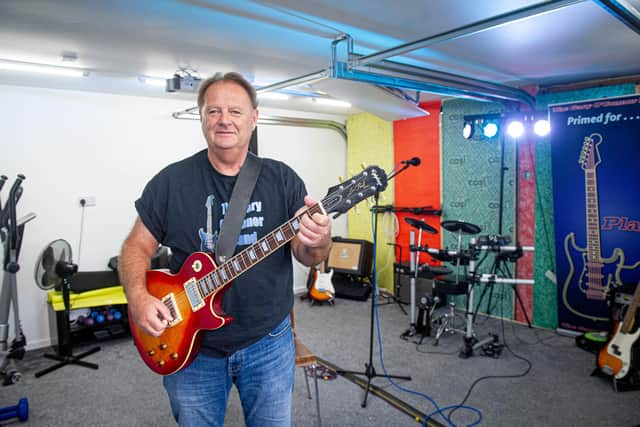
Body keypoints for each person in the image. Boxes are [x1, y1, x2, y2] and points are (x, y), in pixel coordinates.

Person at [119, 71, 332, 426]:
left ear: (254, 118)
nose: (224, 120)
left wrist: (319, 238)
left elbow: (308, 254)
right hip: (192, 345)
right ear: (201, 117)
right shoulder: (171, 182)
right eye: (213, 111)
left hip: (268, 341)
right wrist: (138, 297)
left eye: (235, 111)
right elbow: (135, 245)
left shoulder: (282, 179)